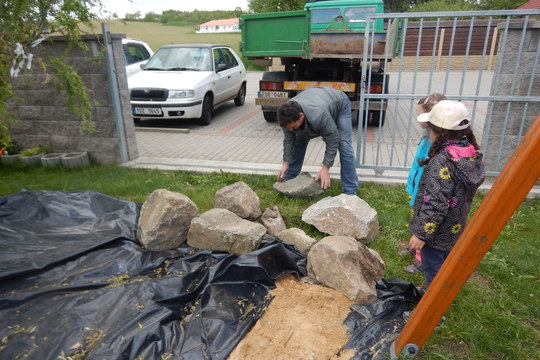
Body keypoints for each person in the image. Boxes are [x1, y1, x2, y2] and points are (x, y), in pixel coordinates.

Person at [408, 100, 485, 288]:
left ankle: (432, 307)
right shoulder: (469, 153)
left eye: (430, 129)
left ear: (437, 133)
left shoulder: (442, 162)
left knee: (432, 268)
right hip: (455, 227)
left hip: (435, 233)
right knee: (443, 264)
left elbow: (436, 203)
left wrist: (421, 235)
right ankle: (437, 290)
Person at [276, 86, 359, 195]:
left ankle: (350, 191)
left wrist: (325, 168)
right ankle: (289, 180)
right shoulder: (285, 116)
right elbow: (289, 140)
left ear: (301, 116)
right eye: (288, 128)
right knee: (298, 140)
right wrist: (285, 163)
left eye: (292, 126)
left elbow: (333, 139)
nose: (290, 130)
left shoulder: (318, 115)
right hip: (318, 100)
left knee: (344, 145)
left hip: (339, 103)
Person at [403, 93, 447, 275]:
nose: (417, 119)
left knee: (426, 223)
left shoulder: (438, 142)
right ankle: (415, 246)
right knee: (417, 219)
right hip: (418, 190)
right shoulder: (428, 136)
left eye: (420, 115)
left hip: (428, 193)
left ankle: (422, 260)